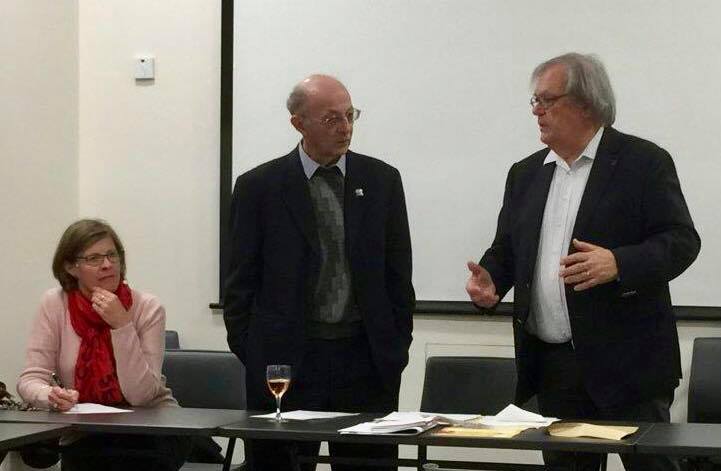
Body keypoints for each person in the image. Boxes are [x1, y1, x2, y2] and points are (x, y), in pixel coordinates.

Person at [466, 53, 700, 471]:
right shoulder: (526, 173)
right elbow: (507, 249)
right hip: (555, 366)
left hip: (629, 364)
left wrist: (619, 263)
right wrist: (492, 281)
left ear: (586, 104)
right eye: (535, 101)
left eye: (547, 100)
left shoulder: (643, 162)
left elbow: (682, 241)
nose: (536, 111)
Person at [224, 74, 414, 470]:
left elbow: (398, 273)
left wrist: (395, 345)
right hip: (285, 363)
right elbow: (240, 282)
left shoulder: (382, 181)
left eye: (350, 115)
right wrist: (255, 351)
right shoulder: (259, 187)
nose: (345, 127)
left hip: (365, 360)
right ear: (298, 123)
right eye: (331, 118)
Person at [18, 219, 188, 471]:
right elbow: (31, 379)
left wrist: (122, 325)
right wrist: (50, 396)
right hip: (86, 430)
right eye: (94, 258)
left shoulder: (147, 307)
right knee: (86, 454)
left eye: (112, 255)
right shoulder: (55, 304)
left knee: (116, 457)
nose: (107, 264)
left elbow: (140, 396)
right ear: (70, 267)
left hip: (152, 426)